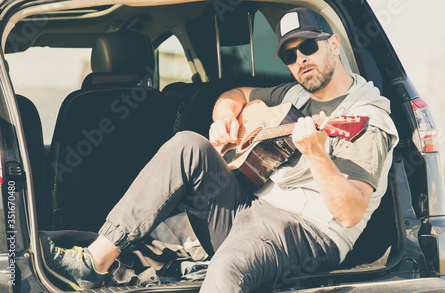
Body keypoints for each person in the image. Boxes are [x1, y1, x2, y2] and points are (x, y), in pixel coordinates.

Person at [40, 7, 398, 292]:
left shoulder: (366, 118)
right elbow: (236, 94)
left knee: (228, 266)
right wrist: (224, 117)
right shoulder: (294, 94)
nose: (299, 60)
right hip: (250, 204)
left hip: (306, 230)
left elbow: (350, 212)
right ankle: (94, 262)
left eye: (308, 47)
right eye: (289, 56)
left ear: (333, 45)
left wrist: (317, 154)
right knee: (188, 144)